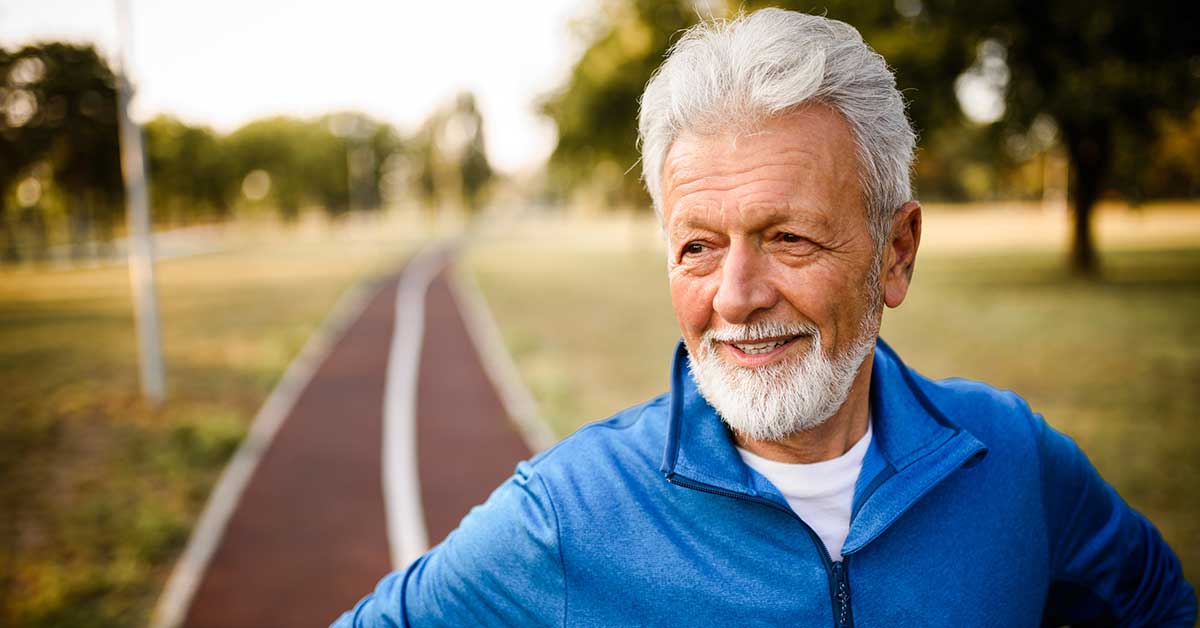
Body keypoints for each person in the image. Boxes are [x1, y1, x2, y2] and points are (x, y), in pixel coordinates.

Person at [334, 9, 1195, 626]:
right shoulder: (568, 514)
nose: (735, 297)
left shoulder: (1012, 457)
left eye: (787, 237)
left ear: (896, 253)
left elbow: (1157, 602)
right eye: (698, 247)